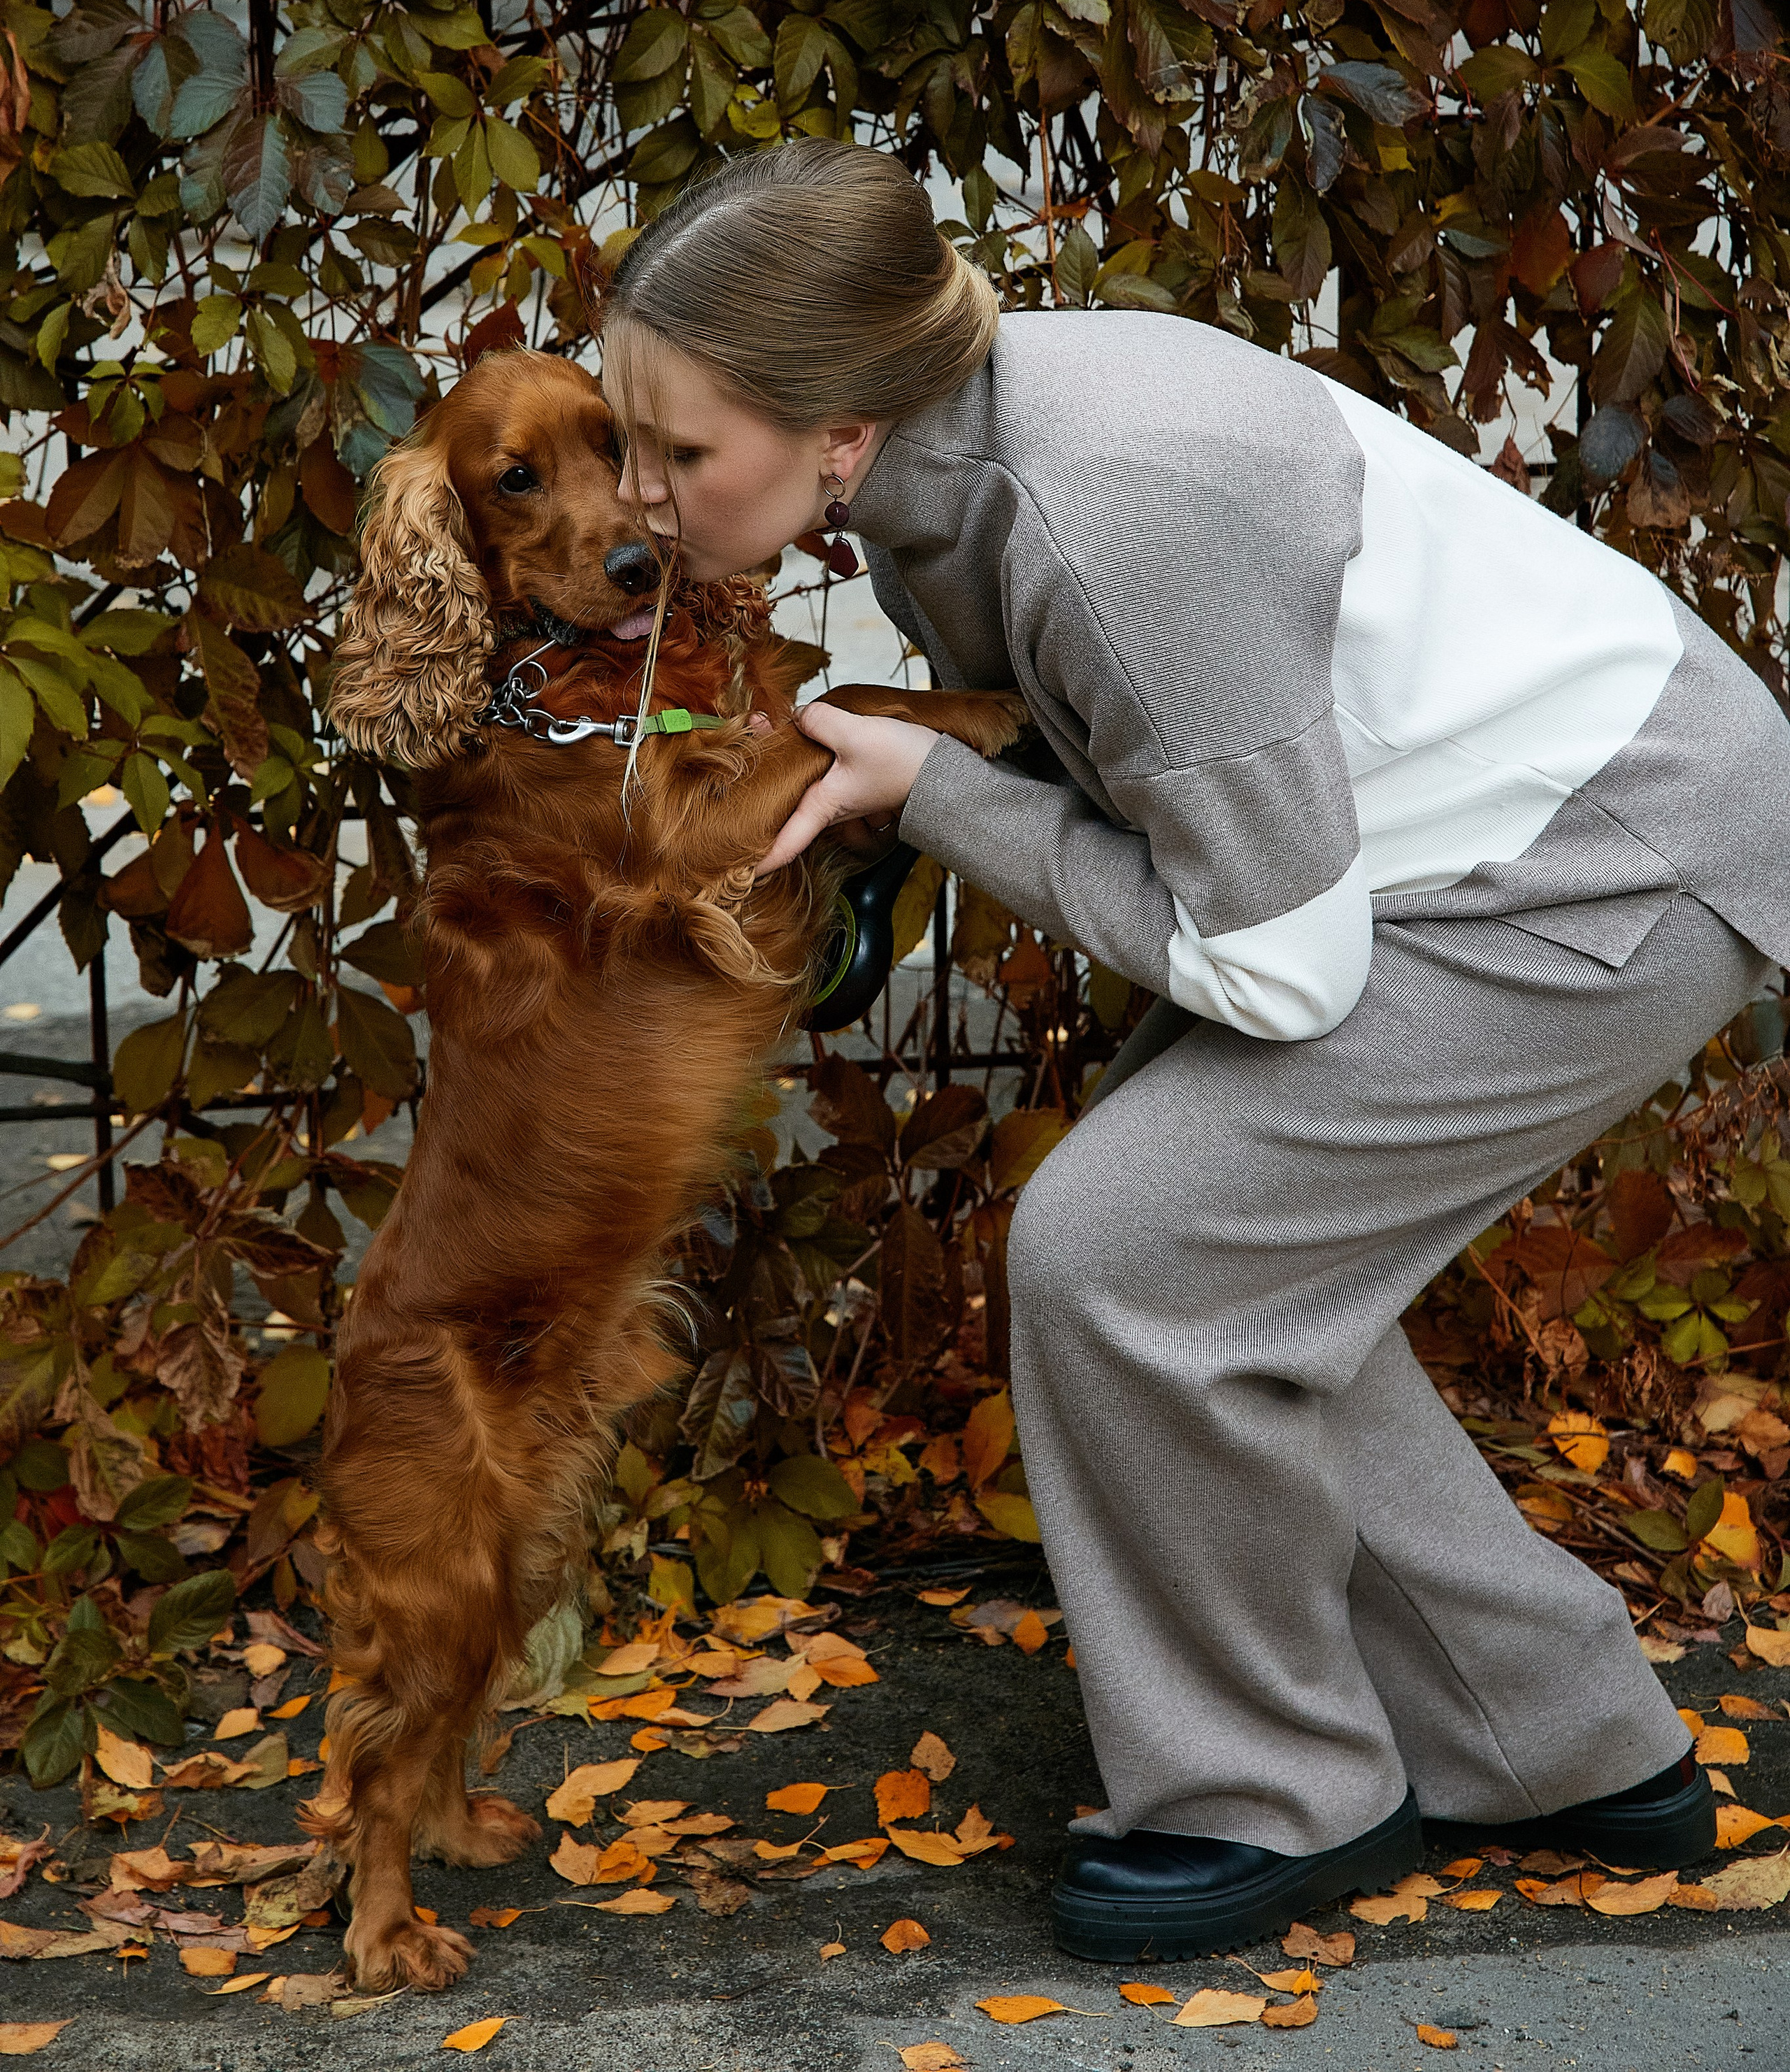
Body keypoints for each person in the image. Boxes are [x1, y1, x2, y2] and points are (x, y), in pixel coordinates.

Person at [601, 134, 1790, 1958]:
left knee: (1125, 1252)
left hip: (1606, 868)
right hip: (1473, 848)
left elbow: (1276, 966)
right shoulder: (960, 448)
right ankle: (1552, 1747)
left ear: (840, 426)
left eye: (682, 452)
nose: (644, 494)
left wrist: (940, 800)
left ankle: (1275, 1794)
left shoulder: (1104, 500)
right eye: (635, 435)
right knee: (1221, 1260)